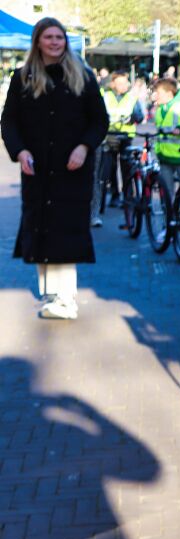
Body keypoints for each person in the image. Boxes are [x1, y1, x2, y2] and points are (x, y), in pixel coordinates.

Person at [1, 17, 108, 320]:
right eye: (48, 37)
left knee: (65, 229)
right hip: (36, 168)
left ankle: (65, 298)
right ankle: (50, 292)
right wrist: (19, 151)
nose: (54, 42)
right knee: (40, 228)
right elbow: (8, 122)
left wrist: (84, 146)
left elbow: (99, 120)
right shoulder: (21, 77)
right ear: (38, 41)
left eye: (59, 37)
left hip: (72, 168)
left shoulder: (83, 77)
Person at [96, 71, 143, 223]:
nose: (123, 86)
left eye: (125, 83)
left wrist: (135, 118)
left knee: (126, 168)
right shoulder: (105, 95)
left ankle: (127, 197)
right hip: (108, 135)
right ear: (113, 83)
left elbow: (140, 115)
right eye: (120, 83)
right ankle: (114, 195)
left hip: (126, 136)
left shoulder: (132, 97)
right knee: (108, 168)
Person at [150, 77, 180, 194]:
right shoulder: (161, 109)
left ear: (169, 94)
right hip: (164, 157)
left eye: (158, 93)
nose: (155, 96)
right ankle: (169, 210)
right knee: (167, 190)